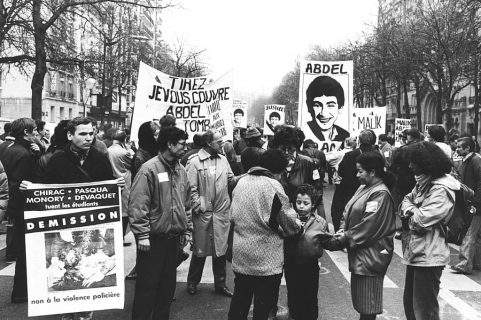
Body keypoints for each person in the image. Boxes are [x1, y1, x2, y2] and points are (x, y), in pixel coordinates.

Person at [33, 116, 121, 320]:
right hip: (67, 225)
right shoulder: (57, 158)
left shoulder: (100, 157)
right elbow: (46, 189)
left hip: (91, 226)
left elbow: (108, 187)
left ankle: (84, 315)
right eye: (83, 134)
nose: (89, 137)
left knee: (86, 275)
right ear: (70, 135)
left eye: (91, 133)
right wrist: (32, 190)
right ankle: (67, 312)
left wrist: (116, 187)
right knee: (68, 275)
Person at [228, 149, 302, 320]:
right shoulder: (273, 185)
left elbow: (232, 216)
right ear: (278, 171)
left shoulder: (241, 182)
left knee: (240, 302)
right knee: (264, 308)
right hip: (266, 259)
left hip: (242, 255)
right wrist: (298, 227)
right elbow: (288, 221)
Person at [129, 126, 192, 320]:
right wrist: (143, 235)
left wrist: (186, 230)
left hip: (172, 239)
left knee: (167, 288)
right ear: (170, 144)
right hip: (152, 240)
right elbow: (138, 205)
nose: (185, 147)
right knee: (147, 288)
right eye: (182, 144)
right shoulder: (148, 169)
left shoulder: (181, 170)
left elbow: (186, 204)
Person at [400, 141, 459, 320]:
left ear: (425, 163)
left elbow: (420, 221)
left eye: (414, 162)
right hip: (418, 252)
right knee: (411, 305)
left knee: (424, 310)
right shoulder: (424, 183)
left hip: (429, 255)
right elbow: (405, 200)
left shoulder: (441, 189)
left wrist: (409, 210)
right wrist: (411, 209)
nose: (410, 166)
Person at [335, 151, 396, 320]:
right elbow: (348, 210)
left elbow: (369, 225)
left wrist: (344, 238)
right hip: (361, 254)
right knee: (362, 303)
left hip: (371, 256)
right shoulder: (364, 187)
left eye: (360, 171)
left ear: (372, 172)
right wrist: (342, 229)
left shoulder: (380, 193)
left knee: (368, 304)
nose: (357, 175)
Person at [186, 130, 235, 297]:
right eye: (218, 142)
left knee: (220, 250)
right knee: (200, 250)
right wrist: (198, 205)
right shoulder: (194, 162)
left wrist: (245, 177)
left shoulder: (223, 160)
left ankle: (220, 284)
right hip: (203, 214)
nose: (222, 145)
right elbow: (189, 188)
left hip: (221, 212)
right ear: (208, 143)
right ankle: (192, 282)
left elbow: (230, 180)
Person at [284, 184, 337, 320]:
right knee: (293, 297)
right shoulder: (289, 220)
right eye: (298, 202)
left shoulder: (320, 223)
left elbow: (327, 242)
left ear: (313, 205)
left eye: (305, 203)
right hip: (291, 265)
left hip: (310, 266)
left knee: (310, 298)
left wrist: (341, 239)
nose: (301, 206)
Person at [0, 118, 38, 303]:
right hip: (22, 205)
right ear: (26, 132)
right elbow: (23, 182)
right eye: (35, 131)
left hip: (11, 203)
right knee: (26, 251)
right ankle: (21, 291)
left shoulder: (7, 148)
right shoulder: (25, 154)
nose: (37, 134)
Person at [271, 125, 325, 217]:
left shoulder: (308, 163)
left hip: (302, 216)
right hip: (279, 216)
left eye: (291, 149)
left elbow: (318, 192)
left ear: (296, 148)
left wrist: (319, 218)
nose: (287, 153)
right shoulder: (272, 163)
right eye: (283, 149)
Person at [332, 130, 377, 232]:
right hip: (370, 192)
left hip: (348, 191)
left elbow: (341, 171)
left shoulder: (350, 155)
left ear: (359, 141)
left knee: (341, 214)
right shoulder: (378, 156)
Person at [451, 137, 481, 274]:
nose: (456, 149)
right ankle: (475, 262)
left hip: (474, 203)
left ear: (468, 148)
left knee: (469, 232)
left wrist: (475, 202)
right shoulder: (468, 160)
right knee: (475, 234)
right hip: (472, 202)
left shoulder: (475, 160)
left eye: (459, 147)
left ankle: (464, 264)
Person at [305, 75, 350, 142]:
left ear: (340, 108)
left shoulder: (345, 135)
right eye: (317, 105)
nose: (323, 113)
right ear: (309, 107)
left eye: (330, 105)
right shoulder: (304, 133)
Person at [107, 129, 134, 239]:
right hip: (125, 181)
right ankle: (121, 237)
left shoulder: (107, 150)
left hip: (113, 181)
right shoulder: (124, 152)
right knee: (125, 211)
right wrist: (129, 149)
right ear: (124, 139)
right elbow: (132, 164)